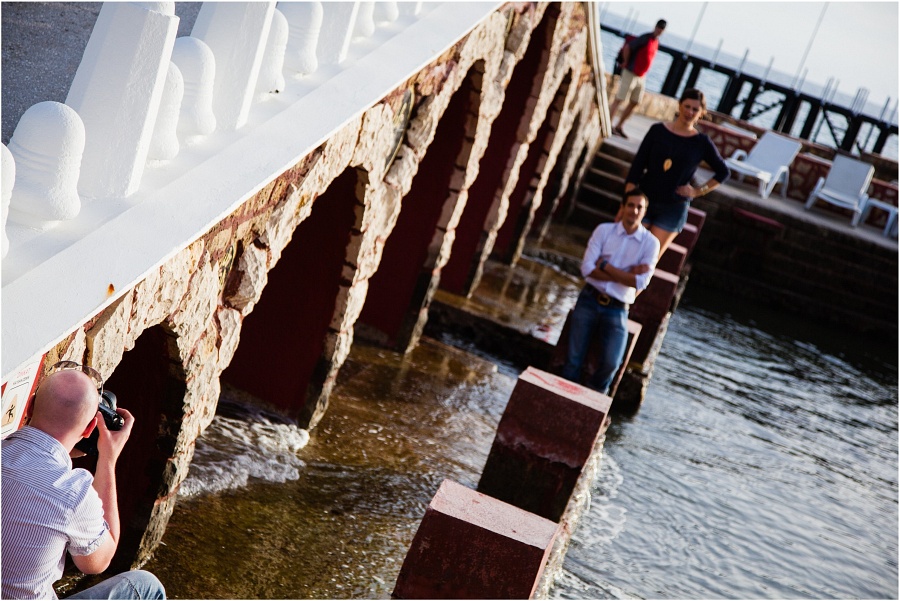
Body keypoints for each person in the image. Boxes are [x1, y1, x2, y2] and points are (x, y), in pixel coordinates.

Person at [1, 361, 166, 600]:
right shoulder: (74, 493)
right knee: (144, 586)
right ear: (90, 429)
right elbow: (97, 563)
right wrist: (107, 460)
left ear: (32, 403)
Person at [561, 189, 660, 394]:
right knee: (573, 359)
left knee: (611, 363)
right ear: (622, 208)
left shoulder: (651, 244)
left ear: (645, 212)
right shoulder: (603, 231)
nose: (634, 210)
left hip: (618, 308)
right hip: (589, 298)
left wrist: (605, 266)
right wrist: (626, 275)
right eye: (630, 205)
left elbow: (641, 283)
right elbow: (587, 269)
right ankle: (563, 398)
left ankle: (591, 402)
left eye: (639, 207)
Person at [624, 88, 730, 256]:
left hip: (673, 207)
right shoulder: (657, 131)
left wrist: (697, 191)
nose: (689, 112)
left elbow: (723, 172)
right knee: (627, 252)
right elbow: (638, 165)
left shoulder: (701, 142)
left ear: (701, 113)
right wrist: (627, 199)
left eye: (695, 109)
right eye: (687, 106)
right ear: (679, 105)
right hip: (643, 201)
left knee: (648, 260)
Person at [609, 19, 666, 139]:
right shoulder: (645, 37)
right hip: (630, 71)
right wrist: (625, 62)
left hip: (641, 75)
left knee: (635, 101)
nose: (659, 30)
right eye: (658, 27)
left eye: (662, 29)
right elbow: (628, 47)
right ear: (655, 26)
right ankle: (608, 123)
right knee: (620, 99)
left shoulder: (655, 42)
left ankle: (619, 126)